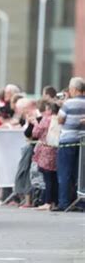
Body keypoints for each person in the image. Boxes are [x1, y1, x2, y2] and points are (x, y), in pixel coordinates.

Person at [53, 77, 85, 212]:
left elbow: (60, 119)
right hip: (82, 142)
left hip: (68, 140)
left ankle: (65, 202)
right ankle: (81, 202)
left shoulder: (68, 103)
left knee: (65, 172)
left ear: (74, 89)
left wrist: (64, 103)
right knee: (81, 173)